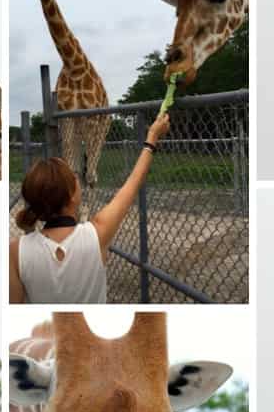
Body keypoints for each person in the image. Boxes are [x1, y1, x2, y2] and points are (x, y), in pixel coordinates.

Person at [9, 113, 171, 303]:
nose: (78, 178)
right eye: (73, 177)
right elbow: (134, 181)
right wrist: (151, 138)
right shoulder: (96, 235)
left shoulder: (15, 252)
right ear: (71, 196)